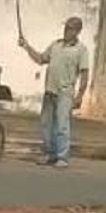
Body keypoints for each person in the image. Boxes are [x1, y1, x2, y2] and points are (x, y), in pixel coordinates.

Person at [18, 16, 89, 168]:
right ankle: (48, 153)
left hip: (65, 92)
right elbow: (41, 59)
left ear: (77, 31)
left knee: (62, 125)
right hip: (50, 90)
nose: (66, 31)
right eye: (65, 28)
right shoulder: (55, 45)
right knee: (46, 124)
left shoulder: (81, 50)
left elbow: (84, 74)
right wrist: (26, 46)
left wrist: (80, 95)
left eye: (69, 29)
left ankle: (62, 156)